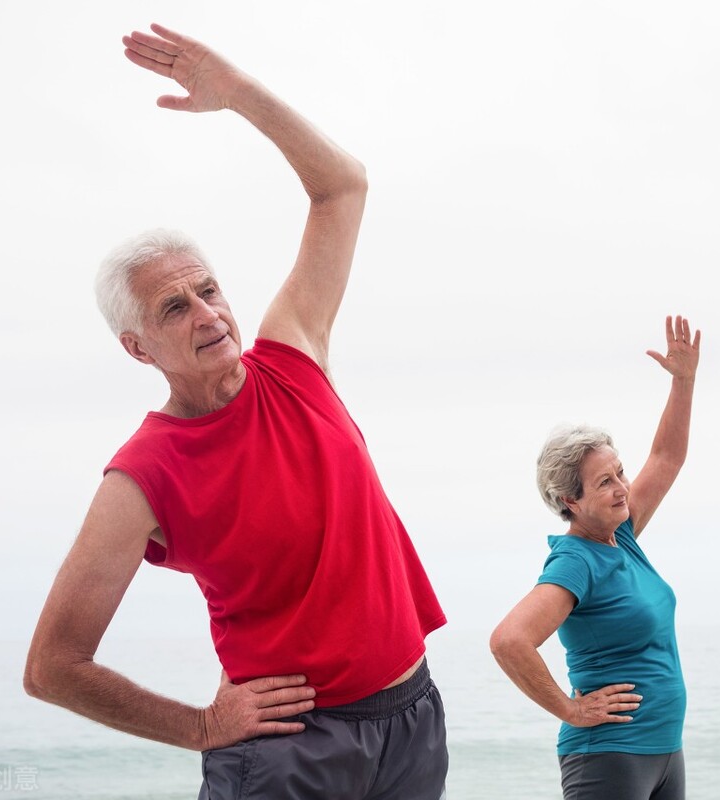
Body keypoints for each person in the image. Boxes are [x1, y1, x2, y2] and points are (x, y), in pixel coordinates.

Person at [23, 24, 448, 799]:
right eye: (174, 307)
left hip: (412, 719)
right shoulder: (142, 476)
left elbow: (342, 186)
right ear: (138, 347)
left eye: (209, 290)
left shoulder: (293, 356)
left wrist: (237, 95)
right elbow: (53, 667)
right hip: (290, 752)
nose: (207, 313)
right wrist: (198, 727)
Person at [490, 315, 700, 800]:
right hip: (609, 757)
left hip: (664, 753)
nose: (622, 488)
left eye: (619, 473)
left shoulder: (621, 534)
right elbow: (509, 640)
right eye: (605, 482)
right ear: (571, 501)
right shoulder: (576, 563)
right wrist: (570, 709)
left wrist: (683, 382)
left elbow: (667, 457)